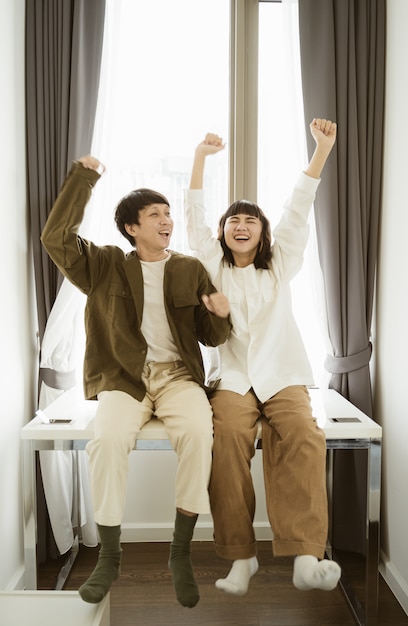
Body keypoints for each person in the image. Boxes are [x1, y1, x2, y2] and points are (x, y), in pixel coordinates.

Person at [41, 156, 232, 608]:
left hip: (178, 378)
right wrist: (83, 179)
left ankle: (180, 554)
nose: (167, 221)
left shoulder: (188, 269)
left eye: (168, 214)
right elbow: (55, 238)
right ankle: (110, 556)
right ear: (132, 228)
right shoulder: (103, 266)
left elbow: (208, 335)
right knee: (106, 441)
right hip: (124, 379)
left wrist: (221, 317)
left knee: (198, 435)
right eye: (155, 215)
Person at [184, 118, 341, 596]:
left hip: (283, 376)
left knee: (304, 436)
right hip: (232, 379)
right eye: (234, 219)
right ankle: (241, 557)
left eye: (251, 219)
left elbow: (298, 209)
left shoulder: (280, 265)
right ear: (224, 233)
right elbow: (193, 218)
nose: (242, 224)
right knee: (227, 435)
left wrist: (321, 151)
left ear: (263, 232)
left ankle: (306, 555)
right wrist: (200, 158)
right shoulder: (212, 265)